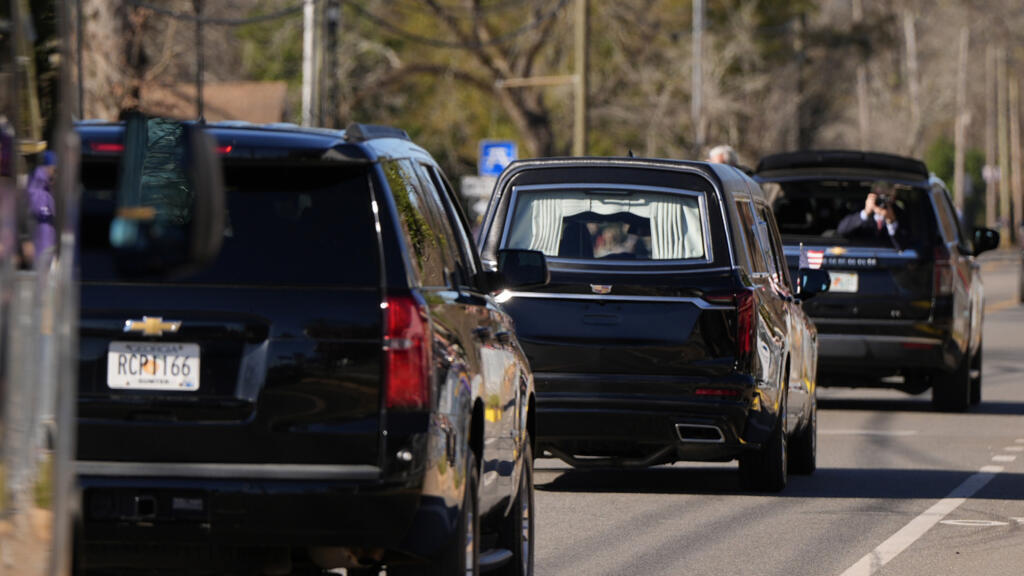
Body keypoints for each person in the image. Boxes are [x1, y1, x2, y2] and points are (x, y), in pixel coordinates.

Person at [837, 182, 909, 249]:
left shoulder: (899, 212)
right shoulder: (861, 207)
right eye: (878, 196)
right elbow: (842, 230)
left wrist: (891, 222)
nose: (882, 200)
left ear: (893, 197)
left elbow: (904, 246)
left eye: (886, 197)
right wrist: (865, 213)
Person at [23, 150, 57, 269]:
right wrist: (27, 239)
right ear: (48, 168)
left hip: (44, 244)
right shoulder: (38, 191)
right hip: (41, 245)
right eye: (54, 169)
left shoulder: (42, 188)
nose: (55, 173)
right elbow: (28, 215)